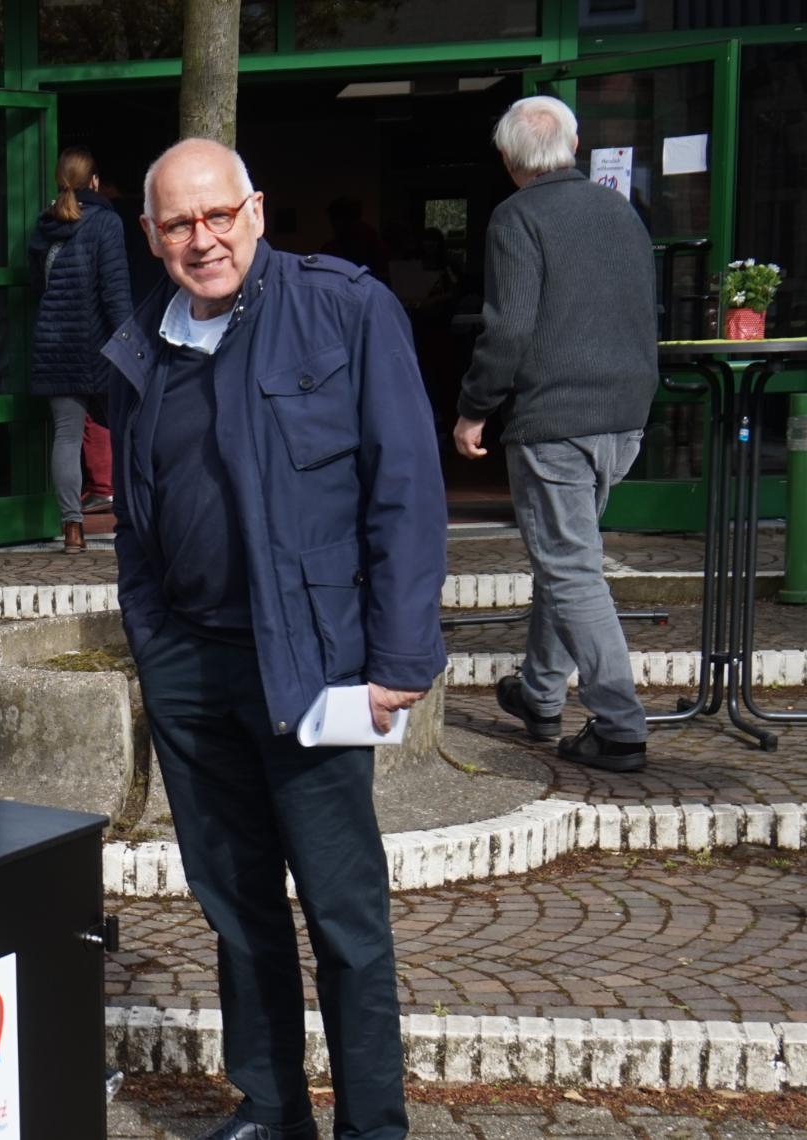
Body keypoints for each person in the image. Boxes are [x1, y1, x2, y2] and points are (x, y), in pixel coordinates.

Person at [105, 139, 446, 1140]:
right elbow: (134, 515)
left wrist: (399, 659)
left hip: (314, 664)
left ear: (255, 209)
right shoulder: (140, 344)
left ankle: (372, 1124)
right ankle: (273, 1106)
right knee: (236, 906)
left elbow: (406, 489)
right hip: (192, 668)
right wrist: (151, 639)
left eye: (219, 215)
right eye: (179, 223)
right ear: (152, 235)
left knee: (343, 916)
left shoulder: (344, 309)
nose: (202, 239)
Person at [454, 95, 658, 772]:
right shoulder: (619, 211)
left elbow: (509, 326)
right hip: (624, 416)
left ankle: (620, 725)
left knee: (569, 567)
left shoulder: (517, 216)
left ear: (510, 160)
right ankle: (540, 694)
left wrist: (474, 407)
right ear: (574, 146)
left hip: (557, 417)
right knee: (564, 559)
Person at [28, 147, 132, 554]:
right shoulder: (106, 223)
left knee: (68, 437)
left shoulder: (45, 225)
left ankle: (72, 530)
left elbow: (37, 289)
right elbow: (116, 292)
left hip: (55, 344)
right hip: (101, 344)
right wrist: (130, 347)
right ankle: (134, 519)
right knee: (125, 428)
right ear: (94, 182)